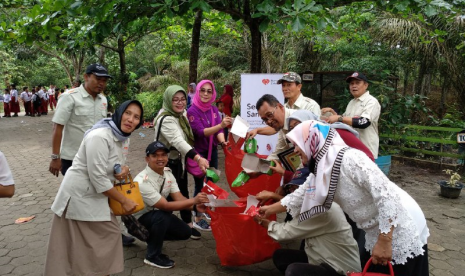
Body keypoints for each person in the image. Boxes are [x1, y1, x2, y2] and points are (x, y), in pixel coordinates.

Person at [260, 120, 429, 275]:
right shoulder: (323, 168)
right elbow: (298, 196)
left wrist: (385, 240)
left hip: (398, 223)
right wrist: (268, 210)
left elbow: (387, 195)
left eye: (297, 144)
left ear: (313, 140)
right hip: (376, 227)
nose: (295, 151)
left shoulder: (350, 158)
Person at [44, 100, 143, 276]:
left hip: (96, 197)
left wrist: (123, 170)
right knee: (74, 248)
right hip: (78, 197)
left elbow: (114, 165)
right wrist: (124, 200)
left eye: (136, 117)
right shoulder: (99, 136)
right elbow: (97, 178)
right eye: (128, 113)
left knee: (102, 240)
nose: (131, 119)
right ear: (119, 112)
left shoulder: (121, 137)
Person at [135, 141, 210, 269]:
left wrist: (196, 207)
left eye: (163, 155)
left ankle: (152, 238)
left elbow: (178, 198)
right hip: (138, 222)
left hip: (156, 216)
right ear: (147, 159)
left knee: (185, 232)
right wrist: (194, 200)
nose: (160, 159)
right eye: (155, 155)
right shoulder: (142, 181)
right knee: (162, 215)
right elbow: (165, 206)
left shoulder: (168, 173)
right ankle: (152, 256)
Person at [153, 85, 210, 239]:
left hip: (178, 161)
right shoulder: (165, 119)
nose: (180, 103)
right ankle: (158, 229)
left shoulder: (182, 114)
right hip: (164, 164)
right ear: (168, 100)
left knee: (182, 190)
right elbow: (178, 141)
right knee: (165, 196)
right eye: (175, 100)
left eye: (183, 99)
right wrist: (198, 158)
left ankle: (187, 224)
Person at [254, 201, 361, 275]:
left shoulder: (321, 211)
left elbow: (284, 232)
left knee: (294, 271)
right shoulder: (317, 203)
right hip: (321, 258)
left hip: (340, 271)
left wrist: (267, 224)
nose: (293, 192)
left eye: (296, 189)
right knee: (281, 256)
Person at [49, 64, 110, 177]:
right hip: (73, 158)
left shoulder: (103, 100)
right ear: (86, 77)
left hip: (97, 157)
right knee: (75, 192)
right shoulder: (69, 97)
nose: (101, 83)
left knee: (95, 192)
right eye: (98, 79)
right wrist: (55, 157)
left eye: (104, 80)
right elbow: (57, 128)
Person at [187, 80, 232, 230]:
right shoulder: (192, 111)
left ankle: (204, 208)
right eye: (203, 90)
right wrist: (221, 126)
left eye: (209, 91)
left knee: (212, 182)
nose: (206, 94)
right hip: (199, 154)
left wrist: (223, 142)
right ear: (197, 92)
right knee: (200, 185)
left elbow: (219, 131)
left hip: (212, 152)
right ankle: (197, 216)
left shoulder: (213, 110)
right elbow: (200, 133)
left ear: (213, 94)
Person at [321, 72, 381, 158]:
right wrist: (332, 113)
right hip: (352, 149)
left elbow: (364, 122)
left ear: (366, 85)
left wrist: (339, 118)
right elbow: (346, 120)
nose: (354, 86)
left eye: (357, 83)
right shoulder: (352, 102)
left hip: (366, 150)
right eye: (351, 83)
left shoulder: (371, 101)